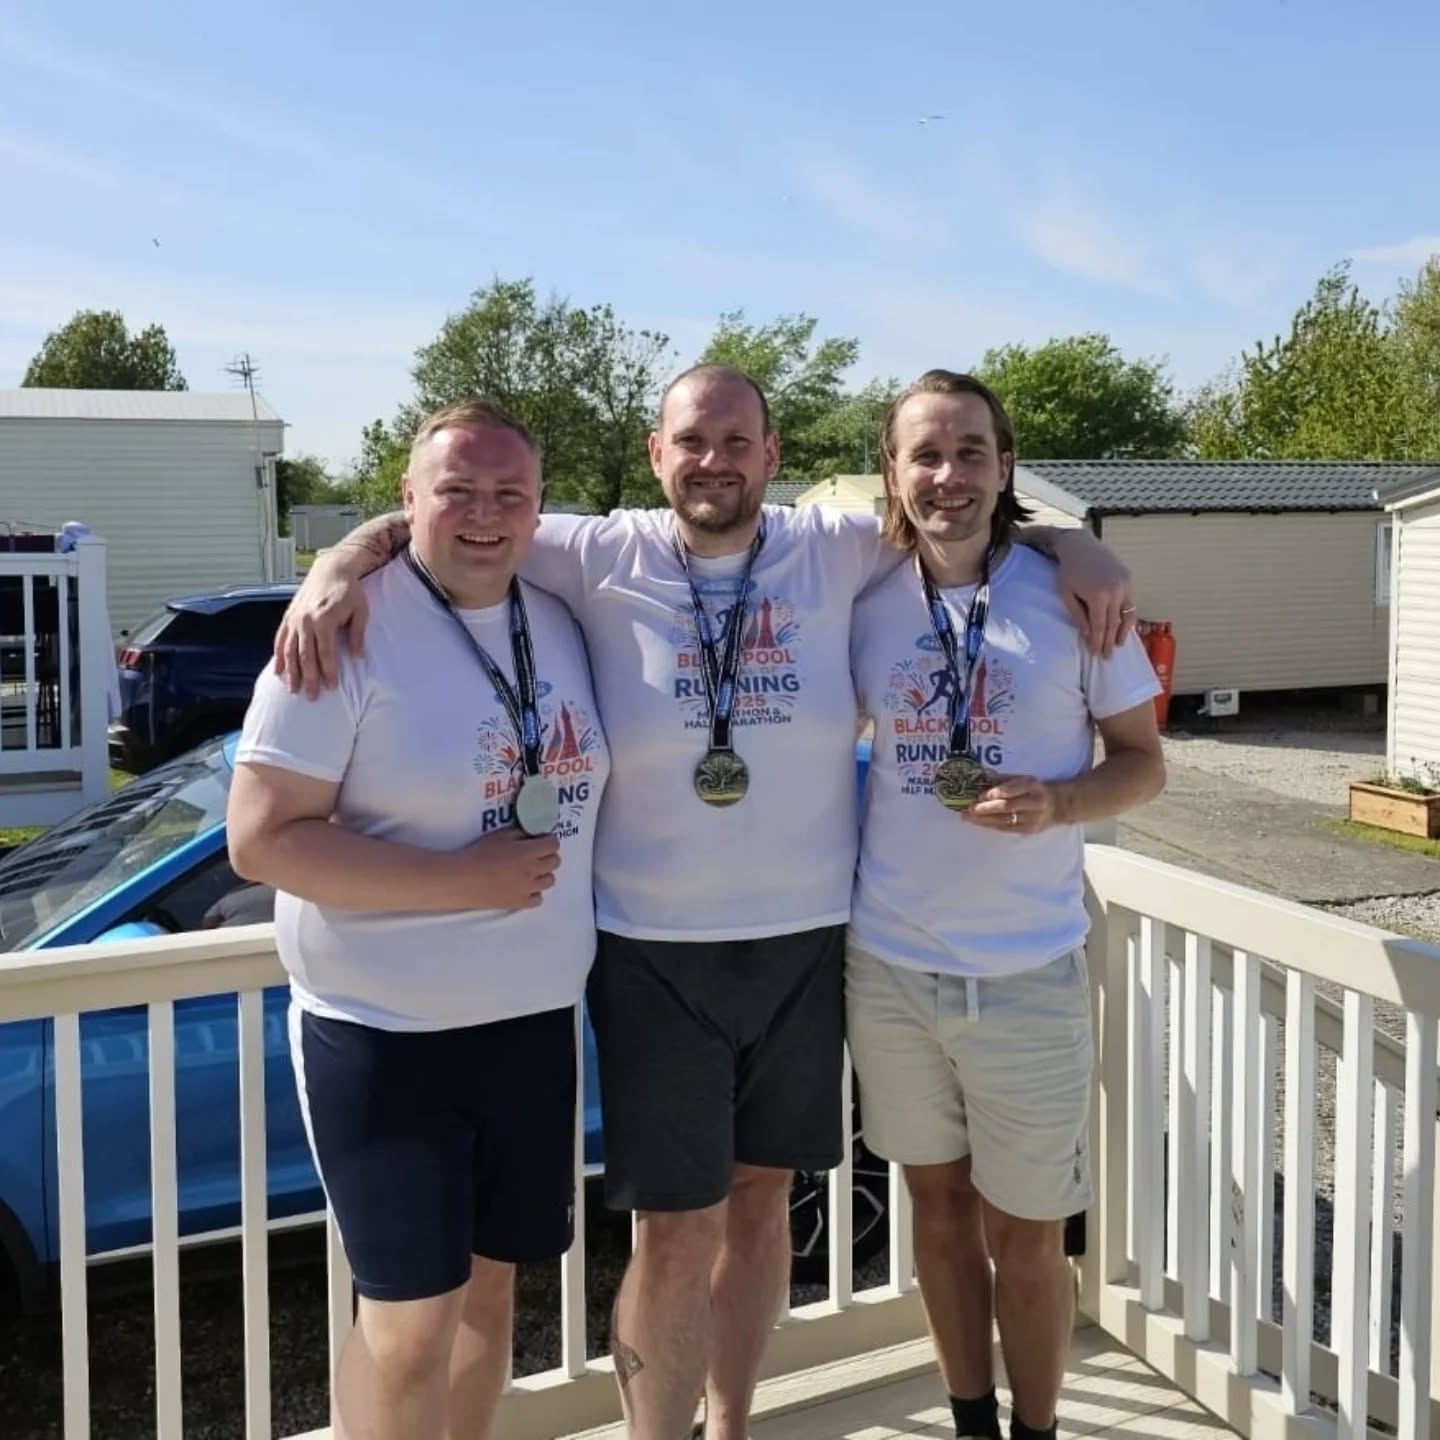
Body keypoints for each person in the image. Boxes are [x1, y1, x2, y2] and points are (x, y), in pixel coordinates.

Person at [274, 364, 1136, 1440]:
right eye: (693, 440)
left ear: (772, 458)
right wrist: (336, 562)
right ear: (656, 453)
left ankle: (731, 1426)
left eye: (737, 441)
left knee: (764, 1204)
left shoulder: (836, 549)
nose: (714, 461)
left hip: (806, 944)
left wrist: (1077, 543)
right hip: (650, 950)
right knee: (673, 1234)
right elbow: (447, 508)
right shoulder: (592, 550)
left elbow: (959, 514)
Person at [227, 399, 609, 1440]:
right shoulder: (343, 628)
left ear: (538, 508)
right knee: (408, 1321)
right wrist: (465, 882)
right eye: (456, 492)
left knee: (491, 1297)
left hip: (531, 1029)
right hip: (382, 1036)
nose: (484, 515)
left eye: (509, 494)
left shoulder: (562, 610)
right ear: (408, 502)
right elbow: (261, 839)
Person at [846, 370, 1165, 1440]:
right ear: (891, 471)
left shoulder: (1081, 597)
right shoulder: (858, 586)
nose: (948, 476)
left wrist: (1062, 802)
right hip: (888, 967)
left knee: (1028, 1235)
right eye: (925, 455)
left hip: (1028, 973)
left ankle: (1037, 1428)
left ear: (1006, 465)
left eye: (970, 451)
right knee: (935, 1214)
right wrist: (363, 546)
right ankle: (969, 1418)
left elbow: (1143, 766)